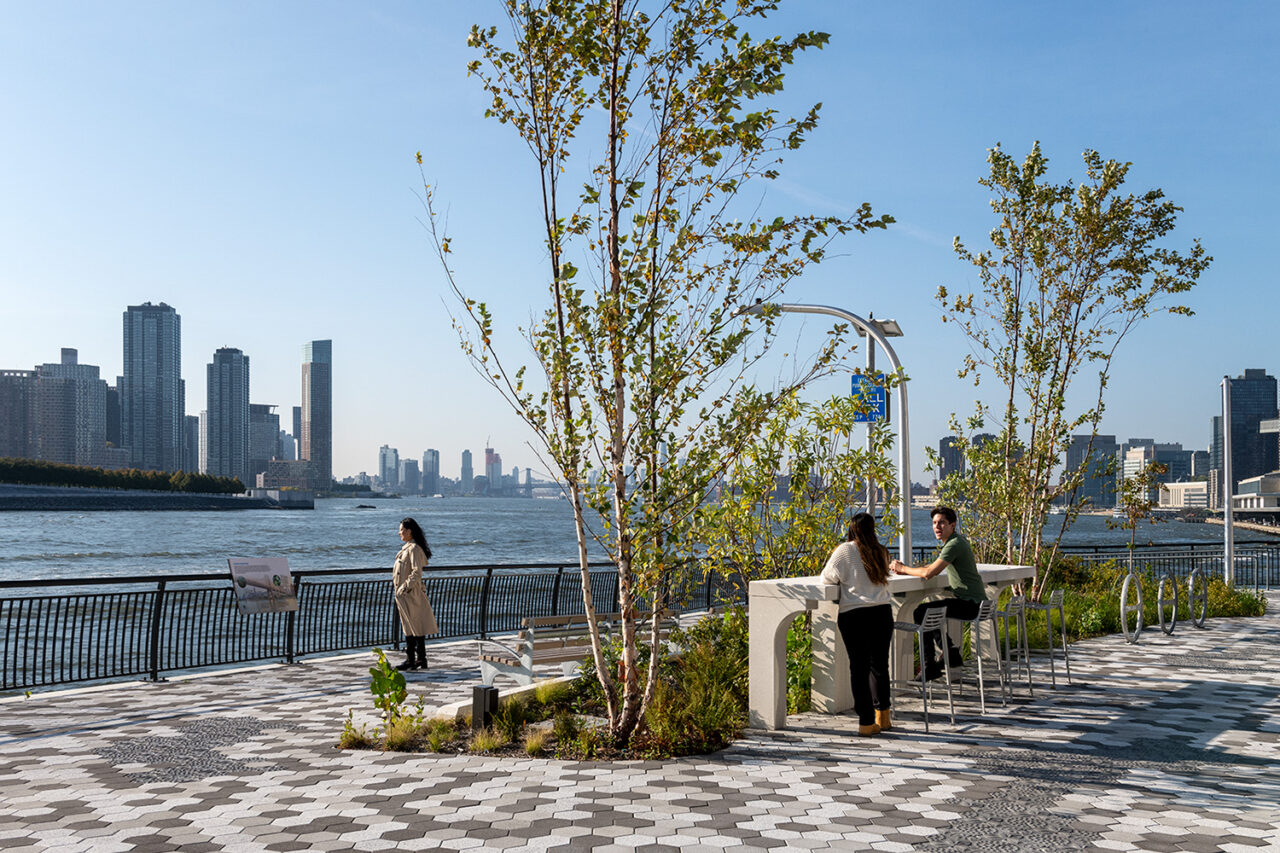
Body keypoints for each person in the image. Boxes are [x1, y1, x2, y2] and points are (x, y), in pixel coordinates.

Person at [890, 505, 986, 680]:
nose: (937, 527)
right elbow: (931, 567)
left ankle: (933, 663)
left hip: (970, 604)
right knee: (928, 612)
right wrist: (905, 570)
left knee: (921, 612)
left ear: (952, 525)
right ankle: (948, 655)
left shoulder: (953, 544)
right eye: (934, 523)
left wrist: (902, 568)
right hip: (977, 603)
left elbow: (928, 574)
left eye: (942, 523)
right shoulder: (956, 542)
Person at [821, 511, 894, 736]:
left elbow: (827, 577)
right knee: (880, 665)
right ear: (873, 529)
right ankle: (884, 717)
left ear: (852, 529)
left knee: (859, 668)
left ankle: (865, 722)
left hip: (854, 615)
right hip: (882, 612)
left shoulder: (844, 550)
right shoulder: (881, 551)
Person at [392, 517, 438, 671]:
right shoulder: (408, 548)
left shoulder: (413, 549)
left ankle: (415, 660)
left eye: (402, 530)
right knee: (410, 626)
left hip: (411, 594)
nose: (399, 533)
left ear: (409, 531)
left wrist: (404, 587)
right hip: (406, 595)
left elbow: (417, 572)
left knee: (414, 626)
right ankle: (416, 659)